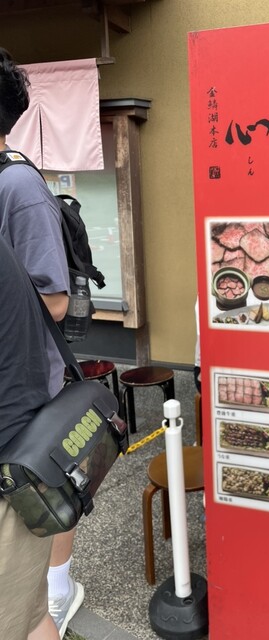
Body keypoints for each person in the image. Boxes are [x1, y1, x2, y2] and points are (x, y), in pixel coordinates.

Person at [0, 48, 84, 637]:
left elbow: (54, 298)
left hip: (26, 390)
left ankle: (57, 587)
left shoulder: (19, 186)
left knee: (45, 495)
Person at [0, 234, 60, 639]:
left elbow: (58, 302)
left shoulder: (26, 198)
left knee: (22, 618)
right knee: (30, 615)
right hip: (20, 454)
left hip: (10, 467)